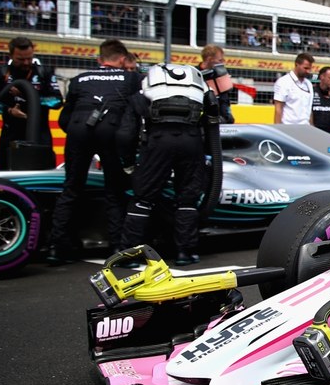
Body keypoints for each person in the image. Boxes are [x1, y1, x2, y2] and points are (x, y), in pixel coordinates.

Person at [47, 39, 143, 265]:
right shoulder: (131, 78)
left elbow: (64, 119)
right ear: (122, 59)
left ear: (100, 59)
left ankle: (56, 247)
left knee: (71, 189)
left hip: (78, 130)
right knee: (114, 191)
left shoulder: (79, 79)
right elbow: (138, 111)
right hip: (111, 132)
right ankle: (120, 250)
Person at [119, 64, 215, 266]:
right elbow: (213, 121)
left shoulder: (144, 93)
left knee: (143, 198)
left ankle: (130, 255)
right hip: (192, 141)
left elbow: (125, 134)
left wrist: (128, 165)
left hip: (157, 142)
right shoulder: (199, 93)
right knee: (188, 199)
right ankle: (185, 252)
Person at [0, 37, 62, 170]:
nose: (26, 62)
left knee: (42, 175)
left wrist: (27, 96)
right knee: (7, 174)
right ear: (11, 56)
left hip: (40, 134)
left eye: (29, 58)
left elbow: (57, 101)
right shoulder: (1, 74)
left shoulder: (44, 73)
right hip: (11, 134)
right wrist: (9, 110)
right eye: (21, 59)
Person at [273, 52, 314, 124]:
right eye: (305, 68)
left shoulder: (308, 84)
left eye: (309, 69)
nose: (308, 71)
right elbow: (278, 109)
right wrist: (278, 131)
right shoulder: (283, 82)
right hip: (288, 128)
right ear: (296, 64)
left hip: (305, 128)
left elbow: (309, 109)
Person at [199, 44, 235, 124]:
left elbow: (225, 102)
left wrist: (227, 118)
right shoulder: (196, 74)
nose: (223, 62)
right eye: (220, 60)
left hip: (222, 118)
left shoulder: (220, 75)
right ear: (209, 59)